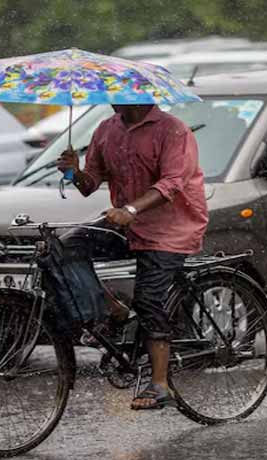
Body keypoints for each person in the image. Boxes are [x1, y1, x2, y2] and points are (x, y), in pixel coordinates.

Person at [56, 103, 208, 410]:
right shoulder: (106, 129)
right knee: (65, 247)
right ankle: (113, 310)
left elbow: (172, 183)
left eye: (122, 92)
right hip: (127, 225)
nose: (115, 97)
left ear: (142, 94)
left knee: (149, 298)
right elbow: (90, 185)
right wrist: (74, 171)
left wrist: (131, 209)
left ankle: (160, 383)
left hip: (171, 229)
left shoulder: (173, 130)